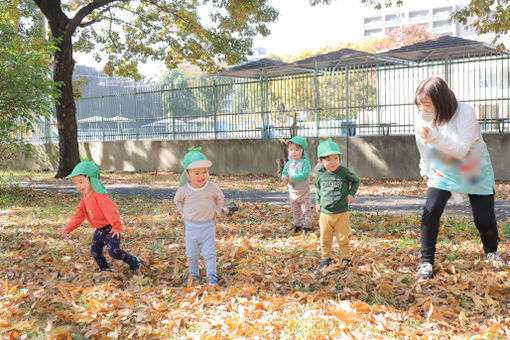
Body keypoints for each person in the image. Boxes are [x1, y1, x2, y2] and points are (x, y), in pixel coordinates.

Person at [414, 77, 506, 282]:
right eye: (419, 105)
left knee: (485, 221)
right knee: (430, 210)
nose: (422, 110)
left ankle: (491, 251)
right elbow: (422, 145)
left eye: (426, 104)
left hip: (473, 168)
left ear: (441, 100)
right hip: (443, 169)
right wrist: (424, 167)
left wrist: (433, 137)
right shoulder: (423, 117)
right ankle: (426, 261)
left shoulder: (465, 113)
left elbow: (461, 149)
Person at [59, 159, 143, 273]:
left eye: (81, 182)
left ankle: (134, 261)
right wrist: (68, 227)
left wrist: (116, 227)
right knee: (95, 251)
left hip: (110, 229)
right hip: (99, 230)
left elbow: (111, 211)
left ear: (91, 179)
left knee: (114, 252)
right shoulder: (85, 198)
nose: (78, 186)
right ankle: (105, 268)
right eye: (76, 183)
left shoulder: (100, 196)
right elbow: (79, 215)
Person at [174, 147, 224, 286]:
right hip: (191, 227)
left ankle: (211, 275)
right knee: (192, 254)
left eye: (204, 172)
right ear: (187, 174)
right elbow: (177, 201)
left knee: (209, 253)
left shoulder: (211, 187)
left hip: (208, 226)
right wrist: (183, 213)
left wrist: (217, 212)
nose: (201, 176)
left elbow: (220, 198)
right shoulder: (184, 190)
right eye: (197, 173)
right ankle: (194, 273)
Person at [314, 138, 360, 269]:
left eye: (336, 158)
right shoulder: (320, 174)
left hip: (341, 213)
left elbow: (356, 180)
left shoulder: (344, 172)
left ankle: (346, 258)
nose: (333, 162)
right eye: (328, 159)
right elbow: (318, 189)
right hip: (325, 214)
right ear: (321, 161)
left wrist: (351, 193)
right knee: (325, 239)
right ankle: (325, 258)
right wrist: (317, 202)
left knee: (342, 239)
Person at [282, 136, 312, 232]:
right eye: (291, 150)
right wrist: (284, 177)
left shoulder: (304, 162)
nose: (293, 152)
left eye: (296, 150)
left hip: (303, 190)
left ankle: (307, 225)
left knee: (305, 209)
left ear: (302, 150)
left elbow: (304, 174)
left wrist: (293, 178)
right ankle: (297, 224)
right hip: (292, 191)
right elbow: (284, 172)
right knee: (295, 209)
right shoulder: (288, 164)